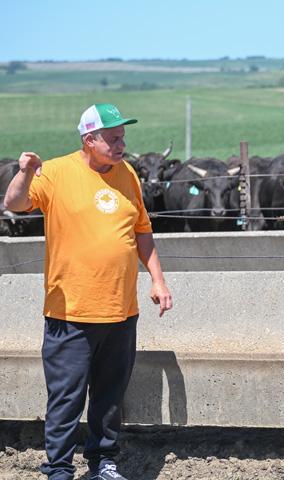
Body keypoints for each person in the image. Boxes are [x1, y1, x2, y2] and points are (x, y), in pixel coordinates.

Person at [3, 103, 173, 480]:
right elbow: (14, 204)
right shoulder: (57, 172)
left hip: (121, 310)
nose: (121, 144)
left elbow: (142, 230)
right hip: (71, 313)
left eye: (123, 136)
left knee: (110, 398)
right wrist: (24, 173)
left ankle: (104, 464)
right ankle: (60, 469)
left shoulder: (127, 173)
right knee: (67, 398)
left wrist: (157, 280)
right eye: (112, 138)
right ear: (89, 139)